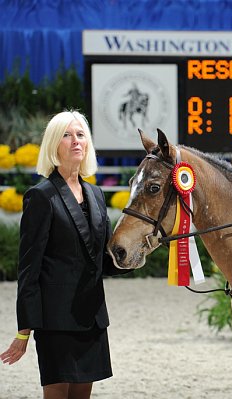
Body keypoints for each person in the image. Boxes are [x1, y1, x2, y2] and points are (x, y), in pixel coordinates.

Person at [0, 111, 128, 399]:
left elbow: (103, 261)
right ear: (53, 145)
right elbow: (28, 270)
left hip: (92, 318)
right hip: (56, 321)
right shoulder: (41, 196)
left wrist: (138, 252)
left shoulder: (96, 194)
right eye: (67, 135)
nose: (75, 141)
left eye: (80, 135)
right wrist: (24, 331)